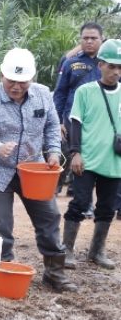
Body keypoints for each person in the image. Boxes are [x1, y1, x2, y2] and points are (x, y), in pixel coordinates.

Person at [0, 48, 77, 292]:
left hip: (33, 168)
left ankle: (54, 273)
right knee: (0, 226)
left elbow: (52, 125)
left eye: (22, 82)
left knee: (49, 216)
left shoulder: (42, 95)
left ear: (32, 78)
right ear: (1, 75)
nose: (17, 87)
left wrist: (52, 151)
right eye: (11, 81)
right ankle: (5, 272)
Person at [62, 39, 121, 271]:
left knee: (107, 207)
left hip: (114, 162)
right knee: (79, 203)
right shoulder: (85, 91)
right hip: (86, 161)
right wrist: (75, 153)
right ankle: (66, 249)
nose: (115, 71)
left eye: (120, 67)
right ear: (100, 65)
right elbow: (75, 123)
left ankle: (97, 251)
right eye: (111, 66)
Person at [53, 22, 103, 211]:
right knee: (78, 159)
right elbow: (60, 93)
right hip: (73, 120)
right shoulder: (70, 63)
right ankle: (85, 203)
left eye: (94, 38)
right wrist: (57, 121)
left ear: (101, 39)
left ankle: (106, 204)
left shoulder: (110, 62)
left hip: (101, 121)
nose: (89, 41)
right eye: (85, 38)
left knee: (99, 160)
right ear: (80, 40)